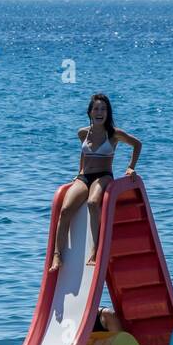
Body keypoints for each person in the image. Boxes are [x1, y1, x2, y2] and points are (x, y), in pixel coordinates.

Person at [49, 93, 142, 272]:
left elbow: (137, 144)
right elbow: (84, 153)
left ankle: (94, 250)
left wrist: (130, 167)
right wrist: (79, 173)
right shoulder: (83, 133)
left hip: (104, 176)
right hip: (85, 177)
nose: (100, 112)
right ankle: (57, 256)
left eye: (103, 109)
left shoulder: (114, 134)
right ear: (90, 112)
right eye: (96, 109)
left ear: (108, 112)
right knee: (66, 209)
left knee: (93, 203)